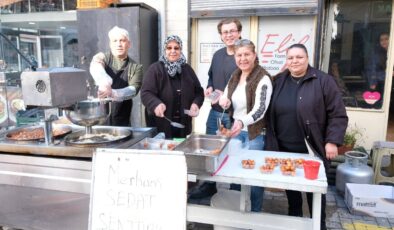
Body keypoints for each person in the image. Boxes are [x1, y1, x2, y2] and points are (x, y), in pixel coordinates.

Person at [265, 43, 348, 229]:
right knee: (292, 190)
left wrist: (332, 141)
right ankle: (294, 219)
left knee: (315, 192)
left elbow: (338, 114)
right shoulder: (279, 81)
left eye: (299, 57)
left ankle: (319, 224)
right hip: (284, 147)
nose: (294, 61)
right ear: (286, 61)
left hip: (311, 148)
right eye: (290, 58)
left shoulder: (323, 81)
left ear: (307, 58)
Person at [189, 18, 242, 200]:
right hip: (215, 112)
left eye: (232, 31)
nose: (229, 35)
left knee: (236, 152)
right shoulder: (218, 55)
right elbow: (211, 78)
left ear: (239, 32)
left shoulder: (244, 56)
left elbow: (249, 86)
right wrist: (210, 88)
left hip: (236, 115)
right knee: (209, 150)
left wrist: (229, 97)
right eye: (225, 32)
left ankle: (236, 190)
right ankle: (210, 186)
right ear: (221, 35)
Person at [219, 39, 272, 212]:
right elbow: (226, 96)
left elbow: (260, 110)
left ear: (254, 55)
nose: (243, 58)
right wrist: (224, 101)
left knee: (254, 176)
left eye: (247, 54)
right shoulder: (236, 74)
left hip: (254, 133)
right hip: (236, 133)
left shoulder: (263, 78)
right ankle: (237, 212)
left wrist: (241, 121)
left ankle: (254, 214)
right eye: (239, 55)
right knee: (235, 172)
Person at [140, 35, 204, 139]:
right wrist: (156, 104)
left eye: (176, 48)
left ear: (180, 50)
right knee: (163, 152)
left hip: (183, 125)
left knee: (180, 151)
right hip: (160, 124)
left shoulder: (187, 69)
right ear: (164, 50)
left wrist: (196, 104)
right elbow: (146, 93)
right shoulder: (155, 69)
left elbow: (199, 93)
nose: (173, 51)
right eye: (169, 48)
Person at [89, 26, 143, 126]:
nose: (118, 44)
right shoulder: (101, 57)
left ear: (129, 44)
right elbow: (96, 68)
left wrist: (113, 93)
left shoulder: (136, 67)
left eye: (122, 40)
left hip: (122, 118)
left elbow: (133, 90)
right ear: (110, 44)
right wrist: (105, 82)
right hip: (99, 117)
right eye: (115, 41)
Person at [366, 32, 390, 108]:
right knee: (378, 105)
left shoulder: (391, 52)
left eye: (386, 39)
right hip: (380, 83)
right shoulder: (376, 54)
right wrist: (373, 82)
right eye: (381, 40)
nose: (384, 41)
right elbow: (372, 69)